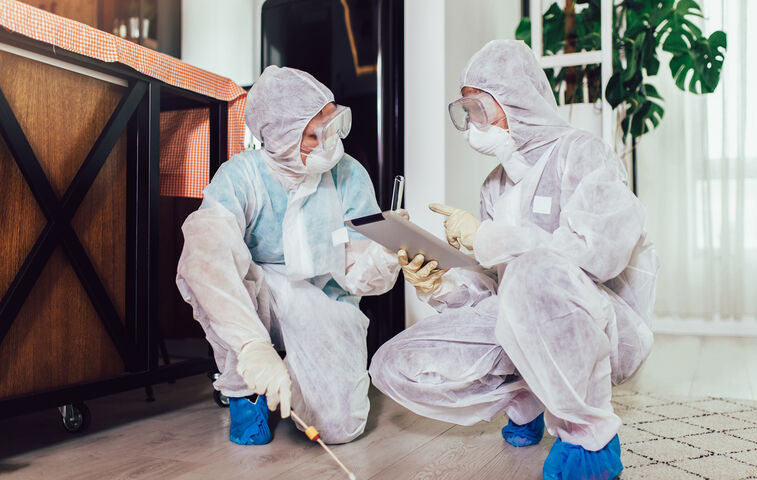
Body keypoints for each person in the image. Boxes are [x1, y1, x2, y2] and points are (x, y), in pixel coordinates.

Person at [369, 39, 658, 479]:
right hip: (517, 324)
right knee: (393, 364)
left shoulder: (580, 153)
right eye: (465, 111)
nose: (471, 123)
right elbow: (494, 286)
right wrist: (441, 284)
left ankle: (589, 436)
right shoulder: (494, 186)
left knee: (533, 274)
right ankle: (529, 397)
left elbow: (601, 253)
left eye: (479, 109)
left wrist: (489, 237)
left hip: (599, 325)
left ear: (517, 102)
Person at [176, 66, 401, 446]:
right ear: (279, 138)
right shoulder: (242, 176)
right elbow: (207, 257)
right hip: (257, 297)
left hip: (324, 297)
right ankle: (246, 390)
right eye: (315, 134)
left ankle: (293, 377)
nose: (330, 141)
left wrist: (385, 255)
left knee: (338, 427)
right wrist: (252, 345)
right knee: (218, 259)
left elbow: (357, 266)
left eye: (333, 125)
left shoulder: (348, 174)